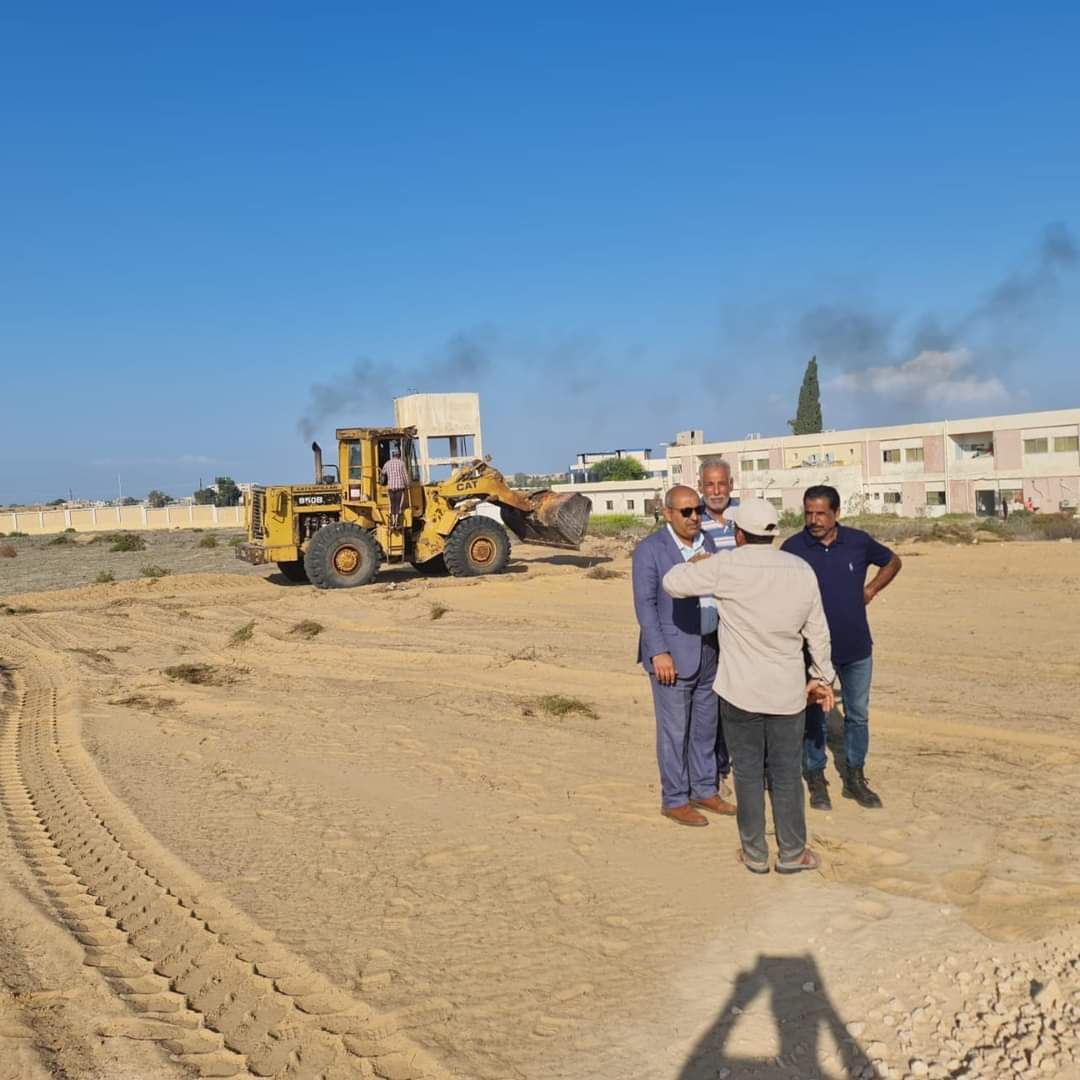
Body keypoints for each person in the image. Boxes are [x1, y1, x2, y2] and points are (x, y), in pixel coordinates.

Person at [663, 499, 835, 873]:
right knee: (786, 775)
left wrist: (698, 563)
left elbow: (673, 583)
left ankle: (755, 854)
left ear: (739, 533)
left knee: (747, 775)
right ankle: (793, 853)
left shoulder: (726, 565)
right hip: (787, 691)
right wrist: (822, 677)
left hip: (740, 691)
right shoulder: (801, 569)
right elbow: (818, 631)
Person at [781, 485, 902, 811]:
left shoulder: (858, 541)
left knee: (857, 715)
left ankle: (854, 776)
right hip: (811, 652)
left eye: (821, 513)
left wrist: (870, 590)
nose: (814, 520)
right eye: (809, 513)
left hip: (856, 648)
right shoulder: (793, 549)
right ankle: (816, 777)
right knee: (814, 716)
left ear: (837, 513)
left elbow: (892, 561)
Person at [632, 485, 736, 827]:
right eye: (686, 511)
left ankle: (704, 789)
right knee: (675, 731)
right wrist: (659, 652)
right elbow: (645, 605)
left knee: (705, 728)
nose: (695, 517)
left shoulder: (708, 543)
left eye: (698, 510)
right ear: (668, 513)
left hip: (709, 649)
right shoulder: (651, 550)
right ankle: (675, 799)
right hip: (673, 654)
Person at [697, 460, 737, 797]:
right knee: (711, 700)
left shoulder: (744, 520)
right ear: (700, 487)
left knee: (741, 698)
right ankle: (716, 770)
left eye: (721, 484)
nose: (716, 491)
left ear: (731, 485)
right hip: (709, 625)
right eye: (709, 485)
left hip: (742, 625)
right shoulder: (692, 521)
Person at [381, 445, 410, 528]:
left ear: (392, 455)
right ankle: (396, 522)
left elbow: (382, 473)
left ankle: (392, 521)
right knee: (398, 505)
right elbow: (405, 475)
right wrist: (407, 485)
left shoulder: (387, 463)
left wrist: (383, 481)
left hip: (390, 487)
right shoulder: (402, 463)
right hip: (400, 487)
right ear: (398, 456)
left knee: (392, 504)